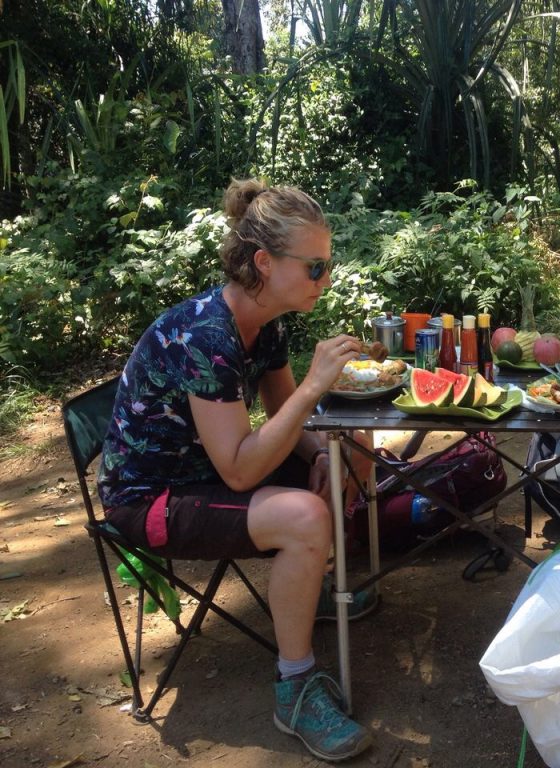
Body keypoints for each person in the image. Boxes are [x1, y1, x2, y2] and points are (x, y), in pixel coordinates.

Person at [98, 178, 374, 761]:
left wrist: (329, 454)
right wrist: (316, 387)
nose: (325, 280)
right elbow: (242, 471)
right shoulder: (207, 336)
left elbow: (282, 419)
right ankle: (295, 688)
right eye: (316, 267)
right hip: (151, 500)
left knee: (351, 445)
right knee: (301, 515)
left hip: (207, 473)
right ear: (263, 263)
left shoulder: (264, 324)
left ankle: (308, 589)